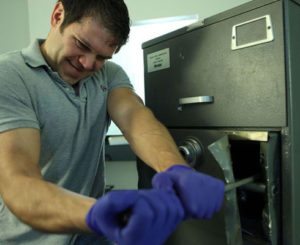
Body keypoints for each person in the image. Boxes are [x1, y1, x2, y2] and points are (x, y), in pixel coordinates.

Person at [0, 0, 225, 244]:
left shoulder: (109, 74)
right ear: (57, 15)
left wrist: (175, 168)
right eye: (81, 44)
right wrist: (97, 213)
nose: (87, 64)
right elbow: (18, 181)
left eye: (101, 57)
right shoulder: (10, 76)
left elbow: (134, 117)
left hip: (91, 236)